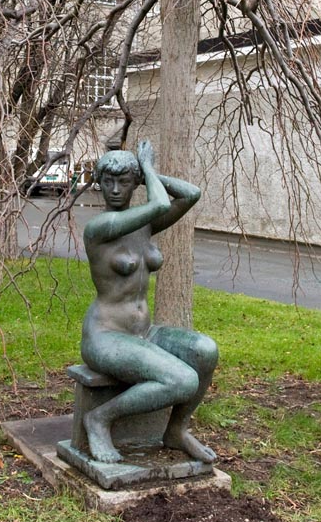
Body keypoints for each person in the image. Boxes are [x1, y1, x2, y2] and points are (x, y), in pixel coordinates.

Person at [79, 140, 218, 464]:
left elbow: (190, 194)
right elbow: (157, 204)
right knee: (182, 380)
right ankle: (99, 419)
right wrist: (147, 171)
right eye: (108, 181)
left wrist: (148, 171)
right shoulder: (100, 227)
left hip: (144, 332)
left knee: (205, 350)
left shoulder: (143, 224)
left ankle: (177, 431)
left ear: (135, 182)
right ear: (99, 183)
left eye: (124, 181)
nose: (115, 189)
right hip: (107, 335)